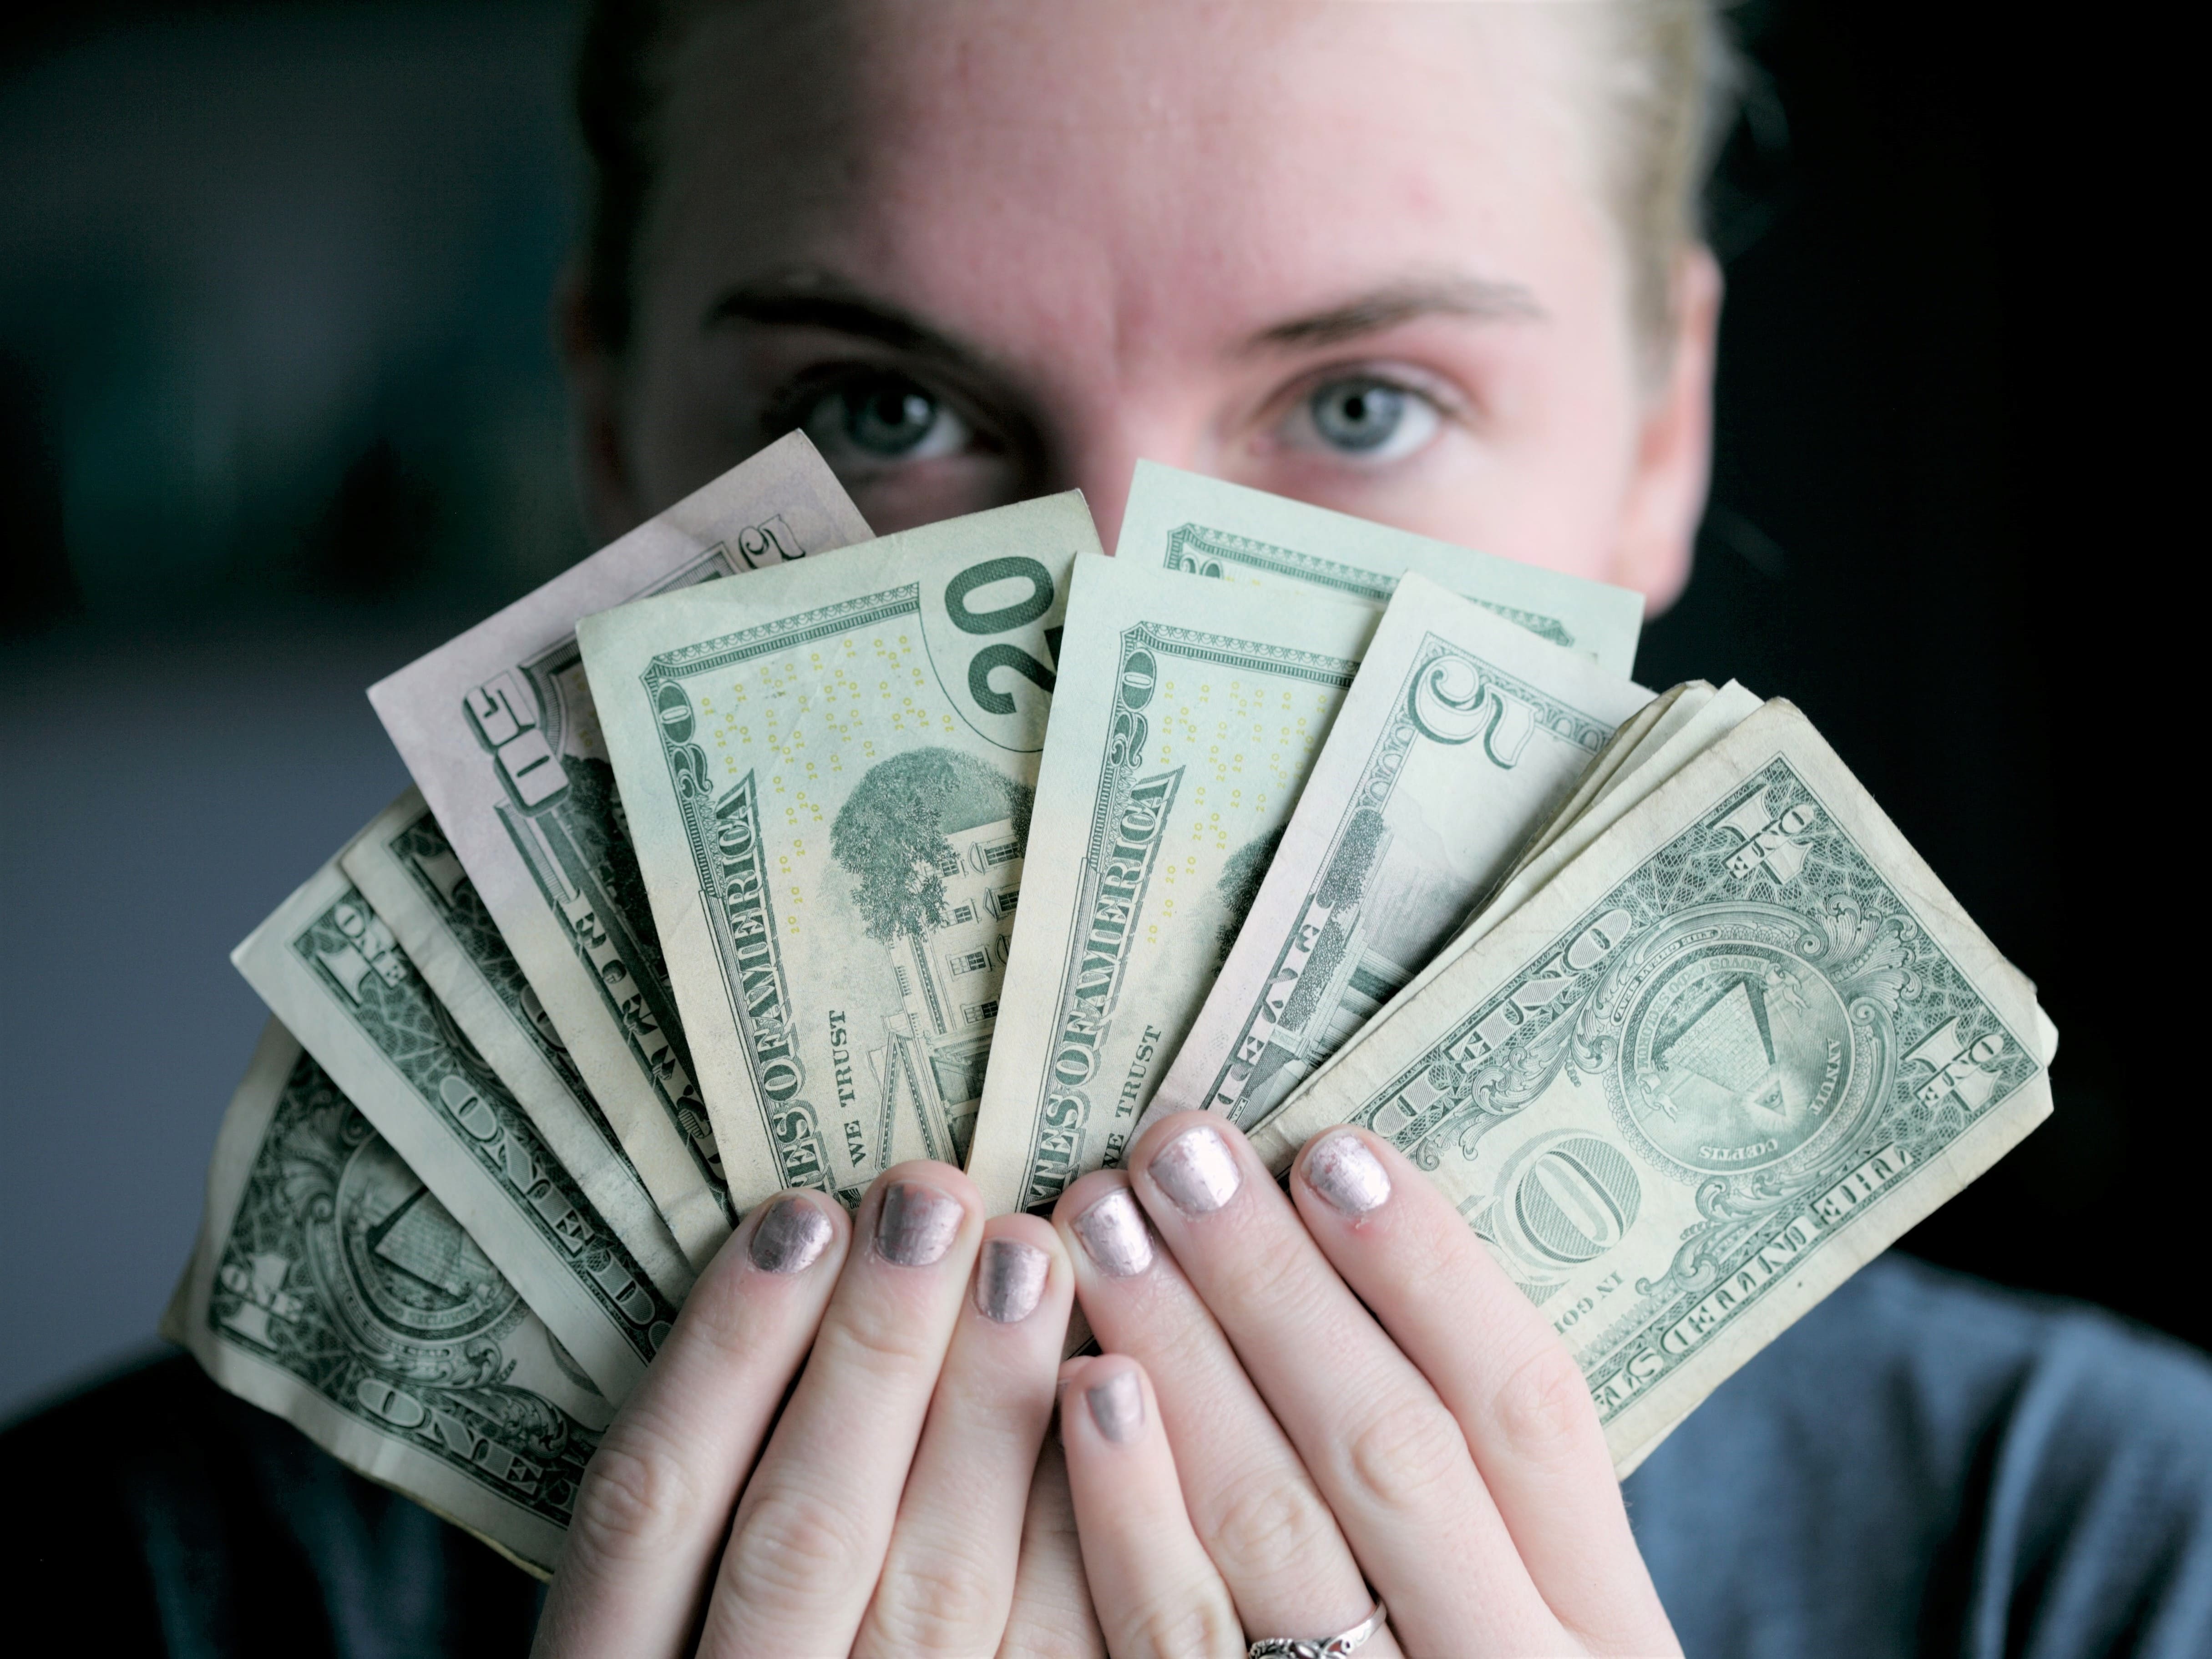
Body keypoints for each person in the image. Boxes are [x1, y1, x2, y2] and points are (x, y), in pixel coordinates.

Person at [4, 3, 2208, 1655]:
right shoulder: (146, 1586)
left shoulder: (2118, 1555)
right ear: (608, 436)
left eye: (1362, 407)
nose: (1109, 613)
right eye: (880, 411)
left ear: (1663, 438)